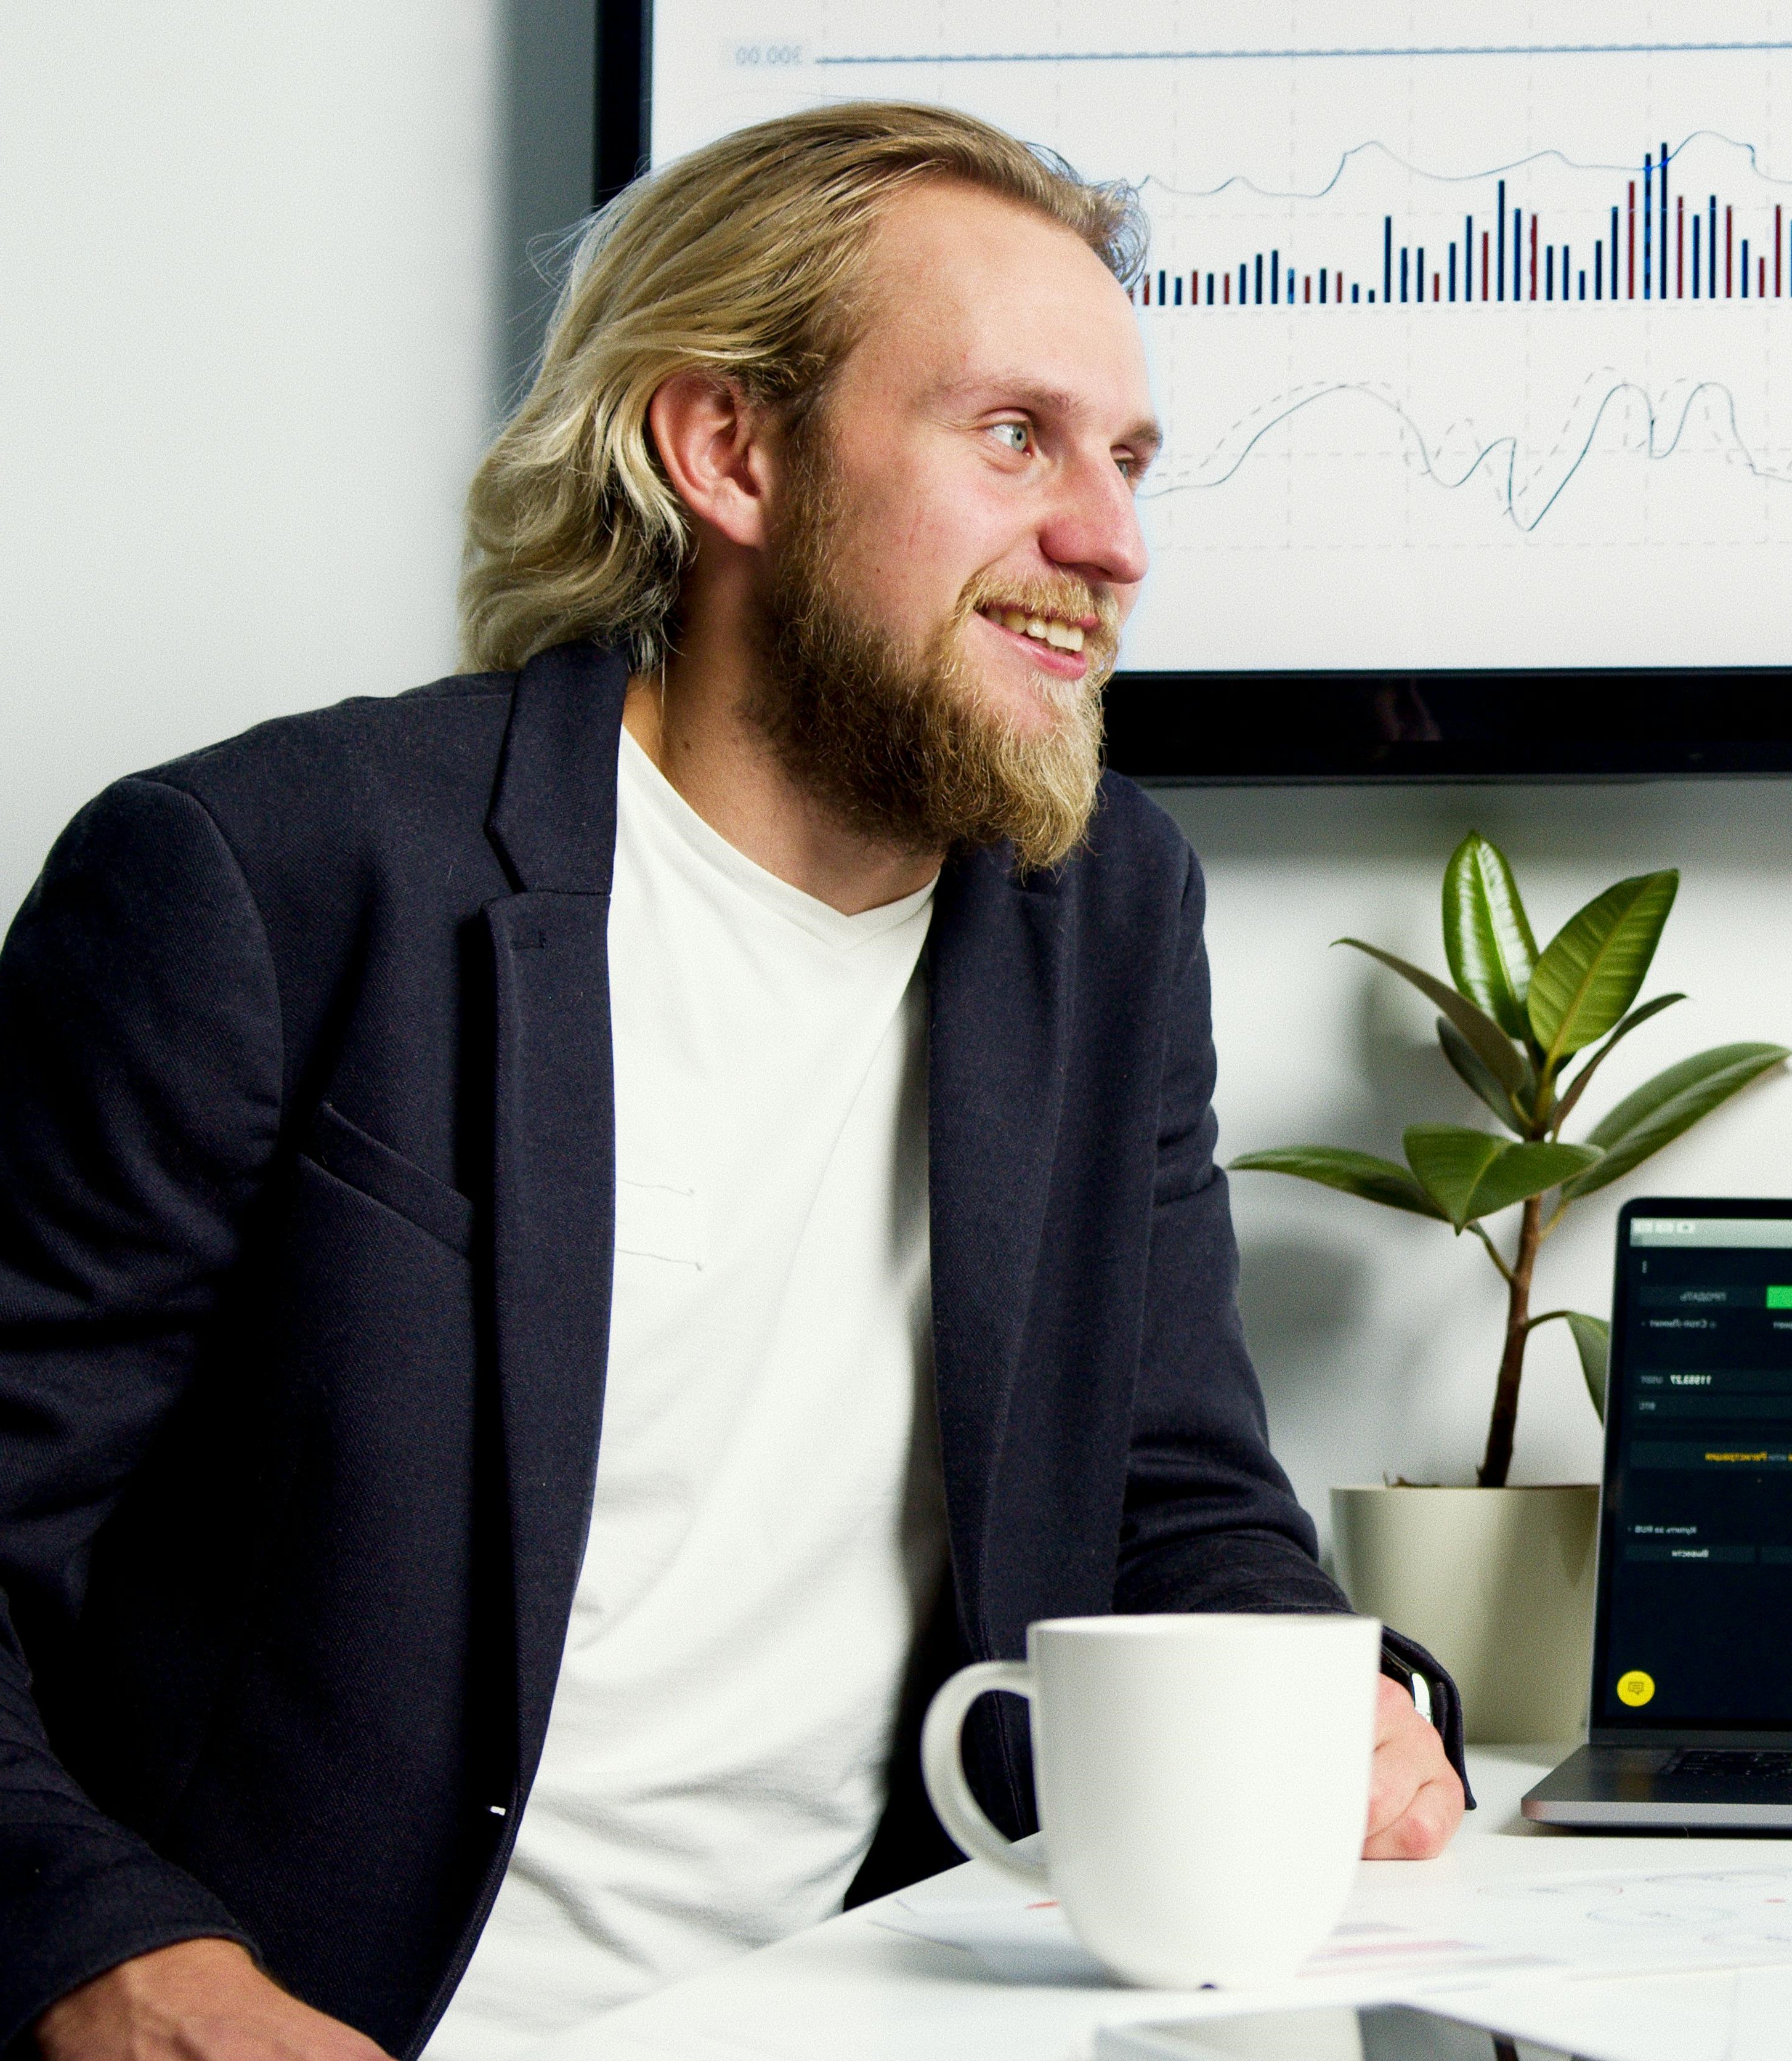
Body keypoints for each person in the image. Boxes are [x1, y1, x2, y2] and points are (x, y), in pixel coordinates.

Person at [3, 103, 1467, 2061]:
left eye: (1126, 460)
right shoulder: (266, 874)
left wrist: (1339, 1691)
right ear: (730, 452)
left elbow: (1166, 1486)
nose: (1109, 539)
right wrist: (120, 1970)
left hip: (880, 2010)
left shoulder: (1100, 908)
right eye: (1012, 435)